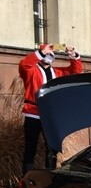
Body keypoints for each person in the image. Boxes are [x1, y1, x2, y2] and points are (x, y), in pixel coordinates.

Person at [19, 43, 84, 174]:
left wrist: (73, 56)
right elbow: (24, 65)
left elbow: (75, 71)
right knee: (30, 149)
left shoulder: (57, 72)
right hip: (33, 114)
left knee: (52, 149)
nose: (49, 55)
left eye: (51, 53)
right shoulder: (31, 70)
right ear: (41, 54)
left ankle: (50, 179)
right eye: (47, 53)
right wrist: (41, 52)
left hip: (50, 115)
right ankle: (26, 182)